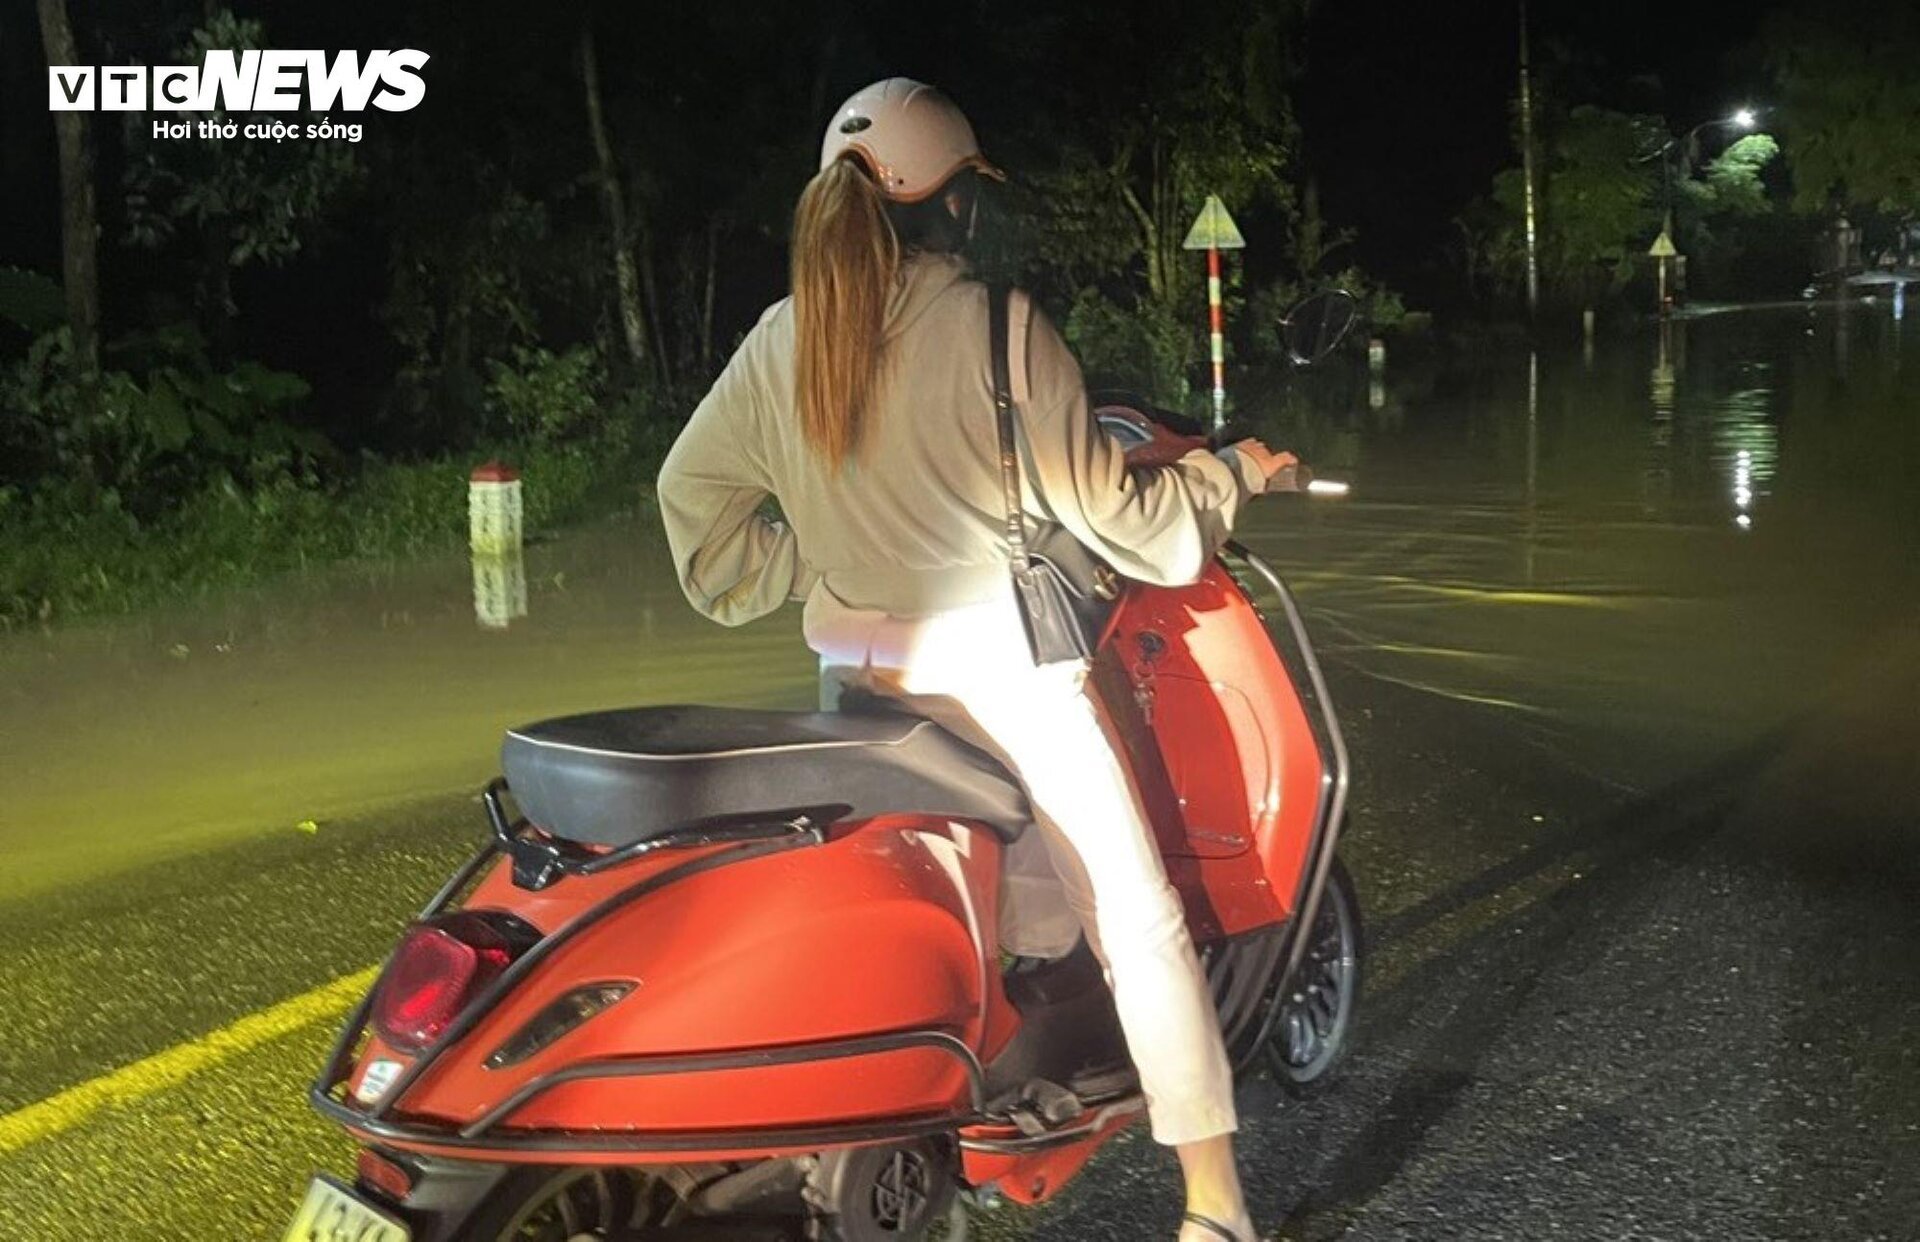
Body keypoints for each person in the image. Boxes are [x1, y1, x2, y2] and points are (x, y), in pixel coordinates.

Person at [657, 77, 1295, 1242]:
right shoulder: (997, 331)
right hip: (1001, 679)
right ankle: (1215, 1210)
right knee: (1140, 919)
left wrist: (816, 568)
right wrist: (1236, 474)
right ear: (947, 205)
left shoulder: (782, 338)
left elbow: (692, 511)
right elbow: (1128, 525)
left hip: (858, 682)